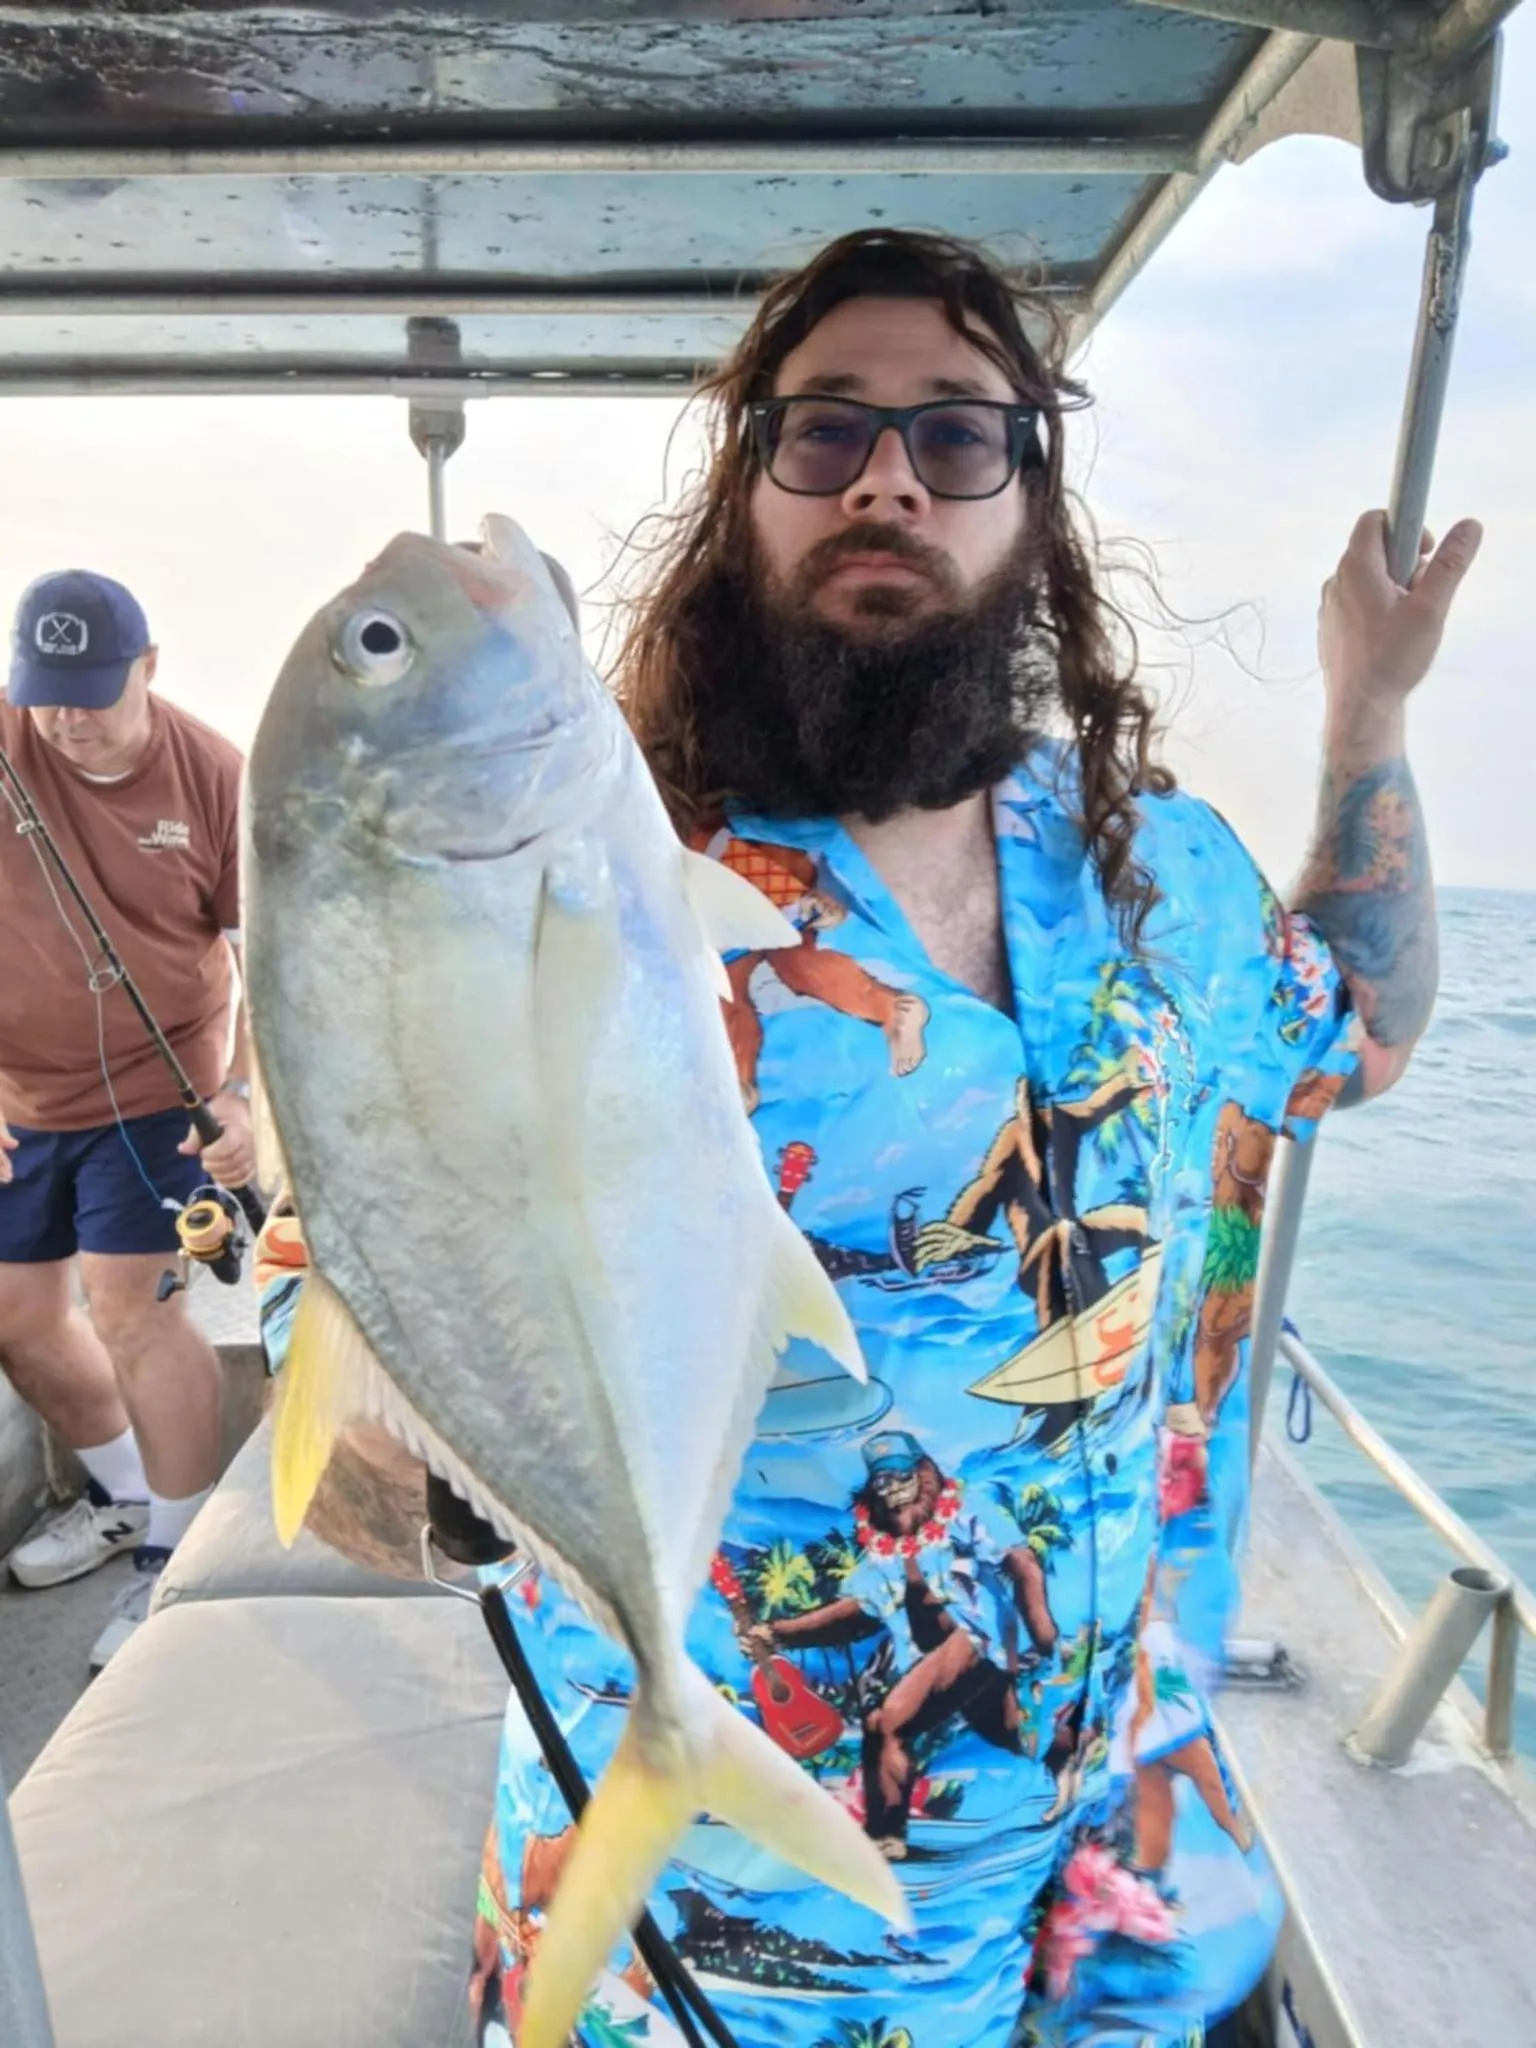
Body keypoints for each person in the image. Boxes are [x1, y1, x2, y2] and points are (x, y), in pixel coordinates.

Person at [257, 230, 1480, 2046]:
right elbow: (347, 1425)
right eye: (821, 434)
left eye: (957, 436)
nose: (890, 476)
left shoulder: (1164, 872)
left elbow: (1358, 1030)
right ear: (743, 496)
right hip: (717, 1920)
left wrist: (1369, 713)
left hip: (1117, 1870)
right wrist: (416, 1325)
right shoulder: (592, 886)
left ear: (1030, 506)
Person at [0, 568, 254, 1667]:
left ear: (149, 667)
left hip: (158, 1092)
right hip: (17, 1093)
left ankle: (179, 1557)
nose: (65, 716)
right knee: (17, 1318)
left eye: (94, 689)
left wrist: (242, 1095)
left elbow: (274, 959)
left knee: (131, 1308)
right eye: (46, 689)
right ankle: (128, 1493)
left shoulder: (216, 777)